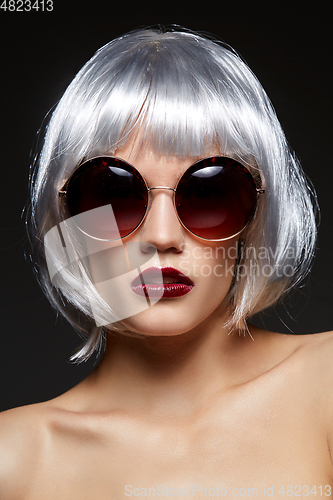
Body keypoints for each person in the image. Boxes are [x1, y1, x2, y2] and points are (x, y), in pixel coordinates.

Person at [1, 26, 333, 499]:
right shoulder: (14, 460)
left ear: (260, 212)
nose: (161, 237)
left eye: (209, 193)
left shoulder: (326, 385)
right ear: (66, 218)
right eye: (113, 195)